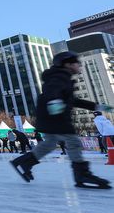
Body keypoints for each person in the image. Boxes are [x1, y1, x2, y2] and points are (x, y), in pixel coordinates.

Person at [10, 51, 111, 189]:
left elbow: (71, 100)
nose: (79, 66)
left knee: (50, 143)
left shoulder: (61, 77)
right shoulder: (60, 77)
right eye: (77, 63)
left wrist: (96, 106)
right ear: (67, 64)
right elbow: (52, 92)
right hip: (55, 117)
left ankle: (24, 162)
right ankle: (82, 174)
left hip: (49, 117)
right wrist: (55, 107)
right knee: (73, 142)